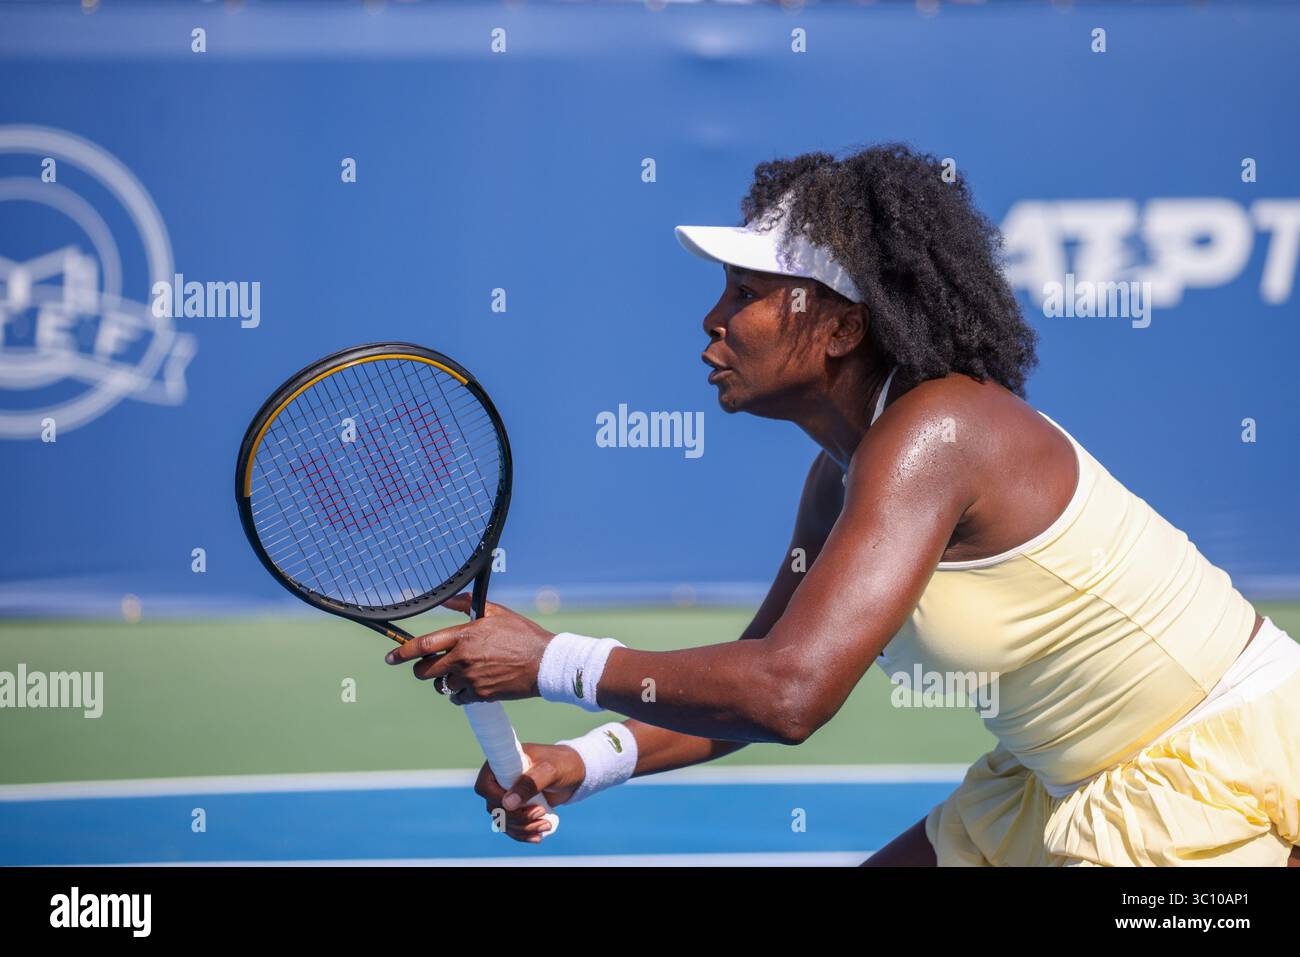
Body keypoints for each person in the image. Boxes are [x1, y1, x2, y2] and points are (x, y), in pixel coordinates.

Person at [386, 144, 1300, 866]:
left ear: (840, 328)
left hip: (1218, 769)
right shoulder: (846, 470)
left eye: (746, 295)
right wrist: (593, 757)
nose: (713, 320)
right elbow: (757, 665)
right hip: (1068, 778)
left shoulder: (936, 432)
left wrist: (553, 659)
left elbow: (791, 694)